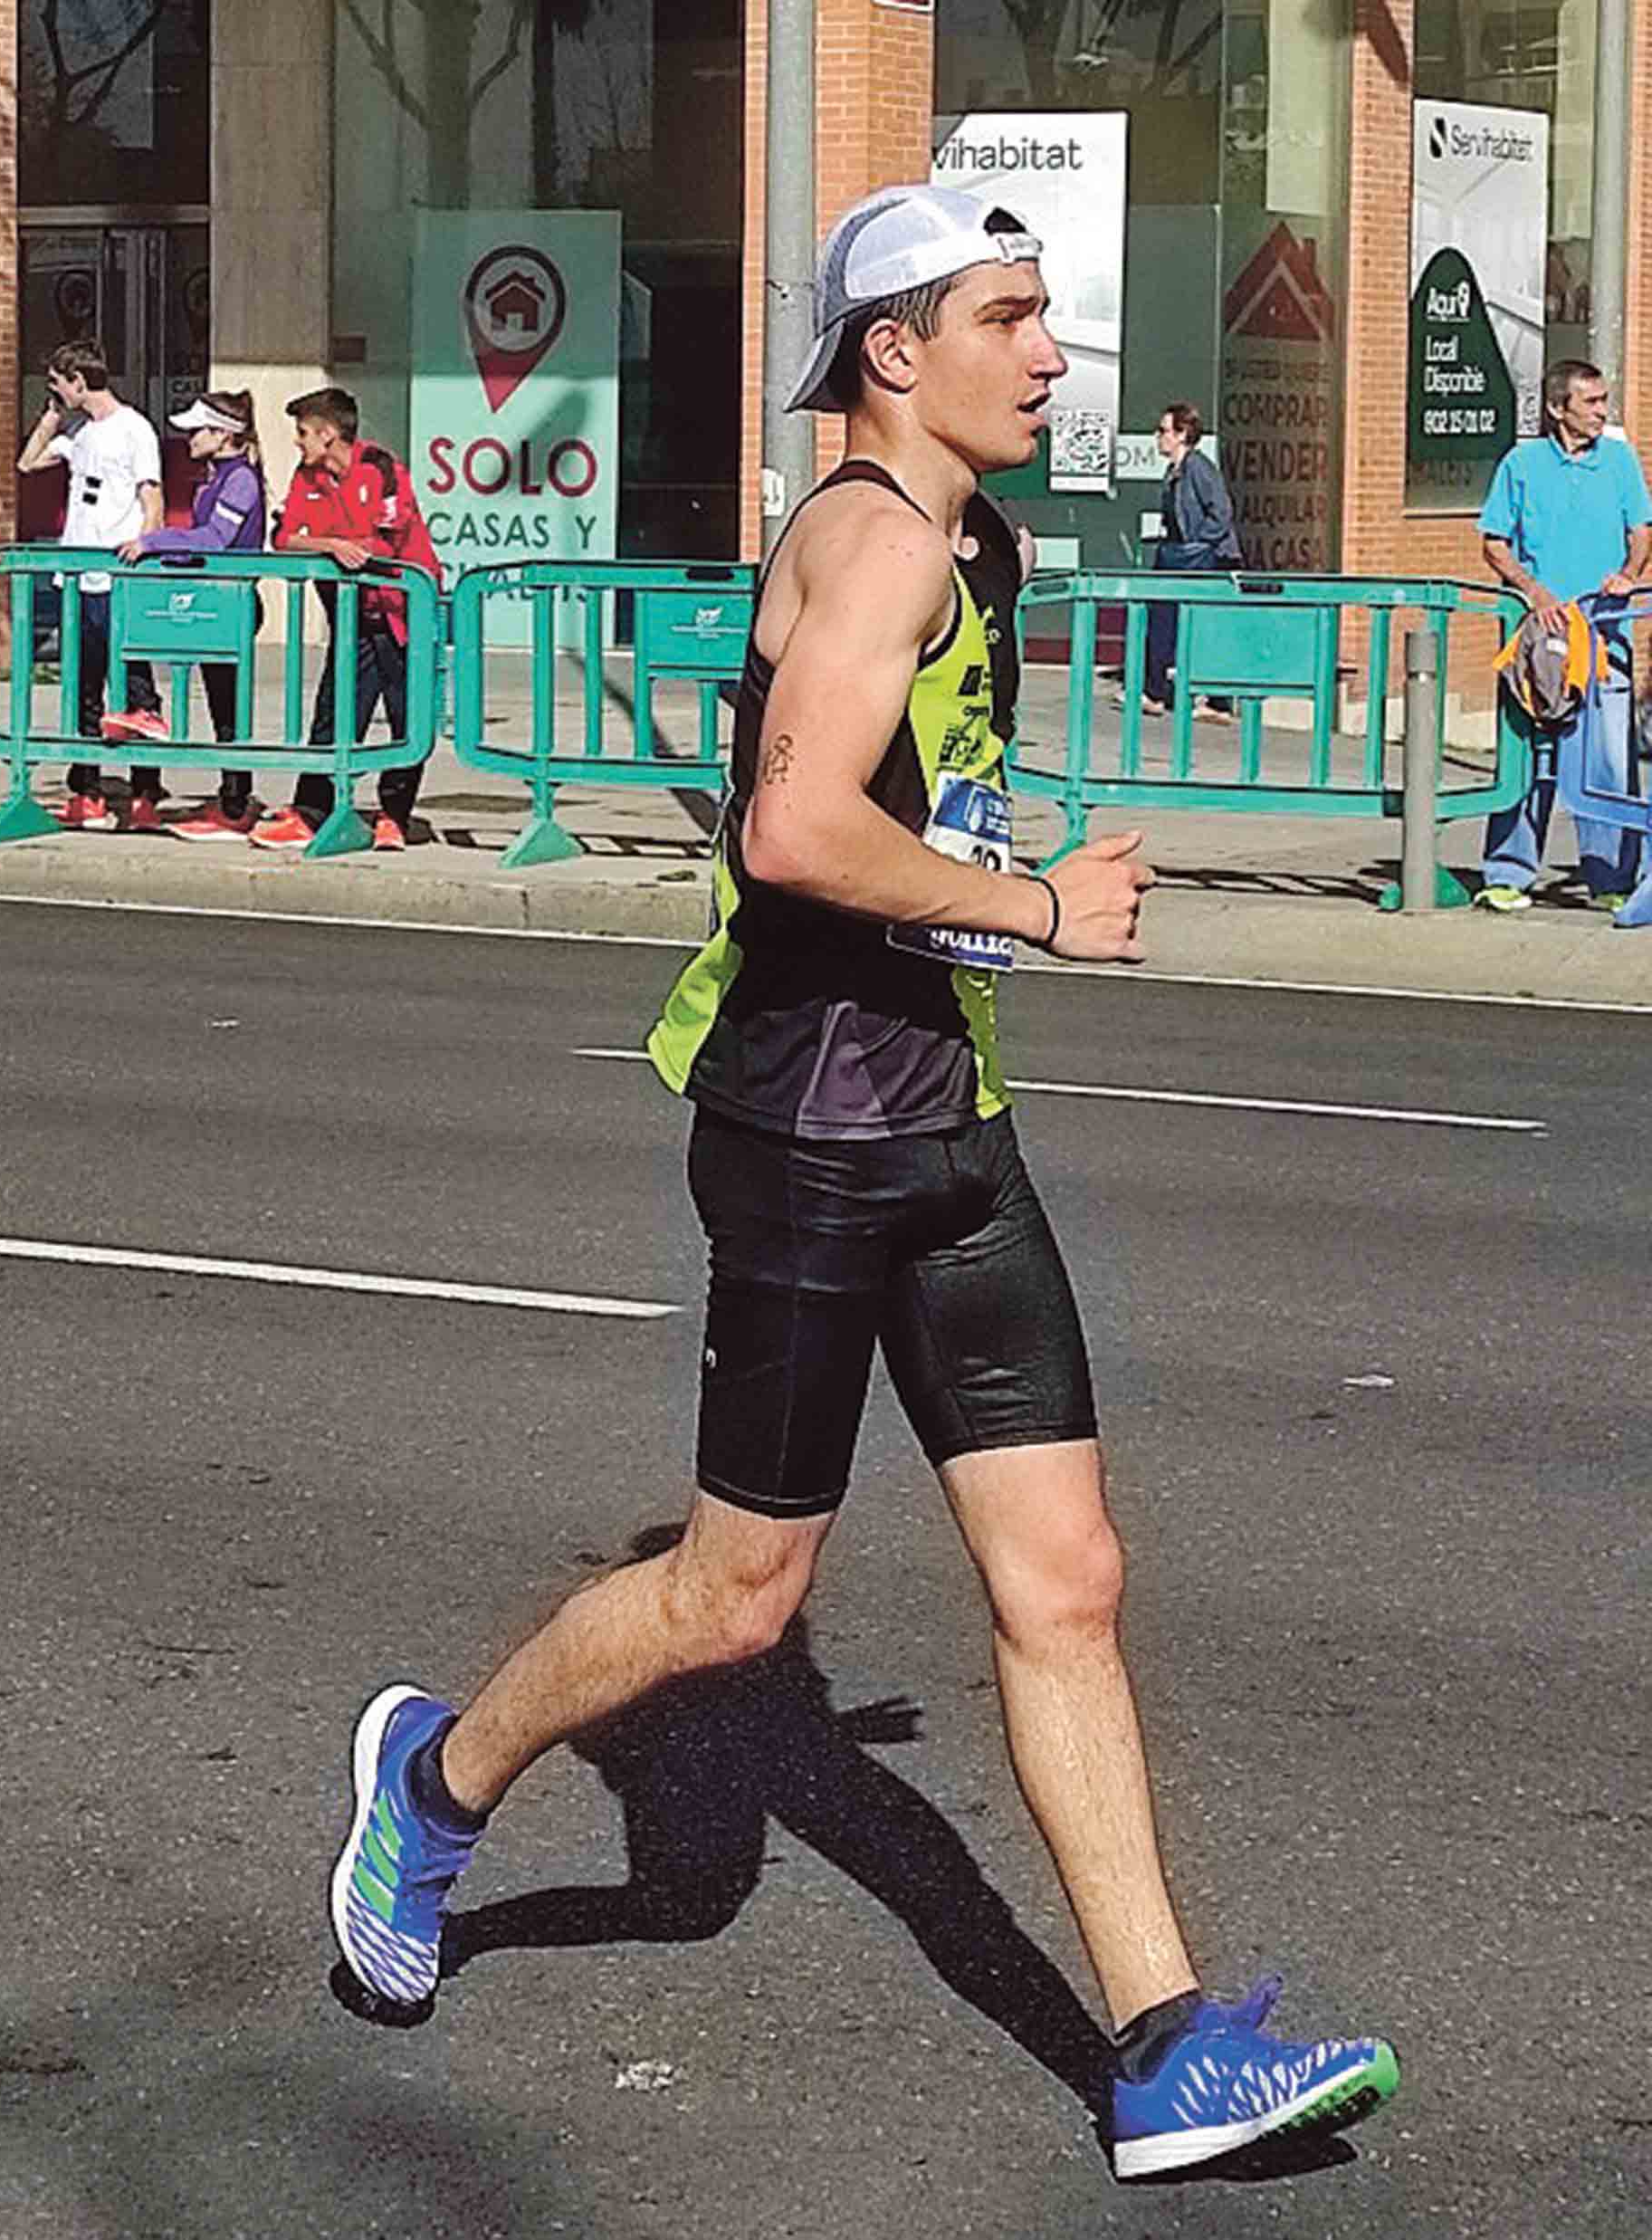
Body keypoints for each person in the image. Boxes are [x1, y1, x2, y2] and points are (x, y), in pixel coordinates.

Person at [327, 183, 1399, 2182]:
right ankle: (435, 1781)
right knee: (737, 1602)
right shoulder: (878, 540)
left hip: (947, 1121)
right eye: (1011, 317)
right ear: (897, 349)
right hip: (811, 1136)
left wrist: (988, 910)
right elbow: (797, 826)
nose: (1052, 354)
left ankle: (1164, 2044)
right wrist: (1036, 904)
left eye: (1047, 314)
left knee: (1067, 1578)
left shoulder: (971, 535)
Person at [1475, 359, 1650, 913]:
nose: (1602, 412)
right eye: (1590, 402)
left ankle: (1612, 879)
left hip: (1603, 638)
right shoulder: (1521, 463)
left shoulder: (1619, 460)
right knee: (1527, 759)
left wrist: (1628, 574)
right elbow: (1494, 542)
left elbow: (1641, 533)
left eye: (1603, 401)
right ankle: (1507, 874)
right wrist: (1534, 590)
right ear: (1557, 408)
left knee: (1607, 764)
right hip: (1539, 642)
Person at [252, 387, 441, 852]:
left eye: (303, 433)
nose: (297, 442)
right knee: (334, 712)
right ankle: (311, 812)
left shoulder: (382, 468)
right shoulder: (307, 475)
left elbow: (387, 542)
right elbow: (284, 537)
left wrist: (346, 545)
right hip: (351, 612)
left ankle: (394, 816)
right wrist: (332, 545)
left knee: (407, 717)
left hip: (402, 613)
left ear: (328, 434)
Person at [15, 338, 171, 831]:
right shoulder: (79, 431)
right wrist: (51, 418)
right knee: (84, 685)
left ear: (79, 381)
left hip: (117, 576)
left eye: (58, 385)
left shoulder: (134, 428)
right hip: (77, 576)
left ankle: (146, 790)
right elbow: (27, 463)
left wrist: (146, 547)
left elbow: (152, 499)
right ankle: (87, 788)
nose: (56, 392)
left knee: (135, 685)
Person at [118, 390, 269, 840]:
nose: (188, 438)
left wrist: (153, 542)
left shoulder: (240, 480)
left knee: (228, 707)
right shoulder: (217, 477)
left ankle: (236, 803)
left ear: (222, 435)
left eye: (196, 431)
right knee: (222, 703)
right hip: (215, 604)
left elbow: (215, 539)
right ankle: (231, 795)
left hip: (232, 605)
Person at [1139, 402, 1240, 722]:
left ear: (1182, 434)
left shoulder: (1198, 467)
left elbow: (1221, 513)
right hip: (1184, 557)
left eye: (1163, 430)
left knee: (1206, 625)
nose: (1158, 437)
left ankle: (1214, 700)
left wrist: (1197, 543)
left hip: (1206, 559)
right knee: (1163, 617)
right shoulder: (1175, 471)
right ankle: (1156, 690)